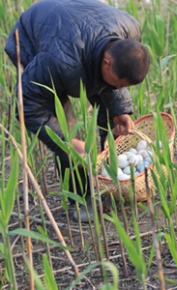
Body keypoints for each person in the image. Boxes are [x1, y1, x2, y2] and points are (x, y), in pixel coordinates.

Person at [5, 0, 150, 220]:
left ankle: (109, 180)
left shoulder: (130, 29)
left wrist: (120, 108)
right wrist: (67, 141)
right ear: (107, 62)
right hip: (32, 39)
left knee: (113, 113)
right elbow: (28, 104)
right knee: (66, 129)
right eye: (120, 84)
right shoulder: (60, 61)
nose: (119, 89)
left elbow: (117, 74)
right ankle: (81, 199)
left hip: (78, 31)